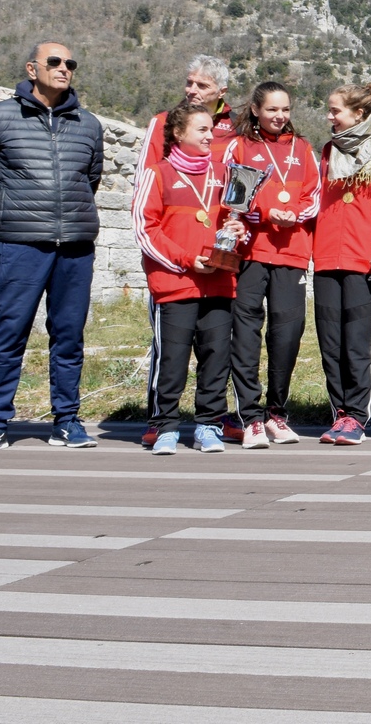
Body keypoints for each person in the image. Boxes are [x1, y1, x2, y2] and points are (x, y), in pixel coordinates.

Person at [0, 42, 105, 454]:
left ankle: (67, 421)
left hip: (75, 248)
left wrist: (64, 220)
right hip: (20, 247)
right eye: (54, 62)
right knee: (8, 333)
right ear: (31, 69)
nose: (64, 68)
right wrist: (9, 220)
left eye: (70, 63)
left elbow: (90, 180)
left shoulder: (88, 124)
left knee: (69, 336)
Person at [134, 54, 235, 448]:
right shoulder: (158, 174)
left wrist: (236, 230)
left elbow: (234, 220)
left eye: (212, 129)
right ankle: (165, 426)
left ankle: (209, 424)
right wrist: (184, 259)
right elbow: (145, 227)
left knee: (216, 357)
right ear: (177, 133)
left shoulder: (224, 175)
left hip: (218, 282)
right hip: (176, 282)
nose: (211, 137)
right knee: (172, 359)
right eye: (202, 130)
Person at [220, 82, 320, 447]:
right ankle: (250, 417)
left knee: (287, 335)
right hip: (250, 252)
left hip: (292, 251)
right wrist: (265, 211)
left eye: (285, 109)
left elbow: (314, 196)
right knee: (245, 334)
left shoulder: (303, 148)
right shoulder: (240, 146)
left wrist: (293, 213)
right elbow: (231, 197)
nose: (280, 116)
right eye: (272, 109)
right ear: (256, 110)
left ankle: (277, 414)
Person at [311, 82, 371, 446]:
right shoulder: (329, 150)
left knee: (356, 344)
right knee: (331, 343)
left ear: (359, 113)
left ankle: (357, 416)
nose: (329, 116)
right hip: (327, 256)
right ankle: (339, 413)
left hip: (364, 260)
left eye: (335, 111)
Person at [136, 55, 236, 171]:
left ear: (222, 92)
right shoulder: (163, 122)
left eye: (202, 86)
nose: (192, 91)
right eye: (189, 83)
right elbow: (146, 171)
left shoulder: (237, 126)